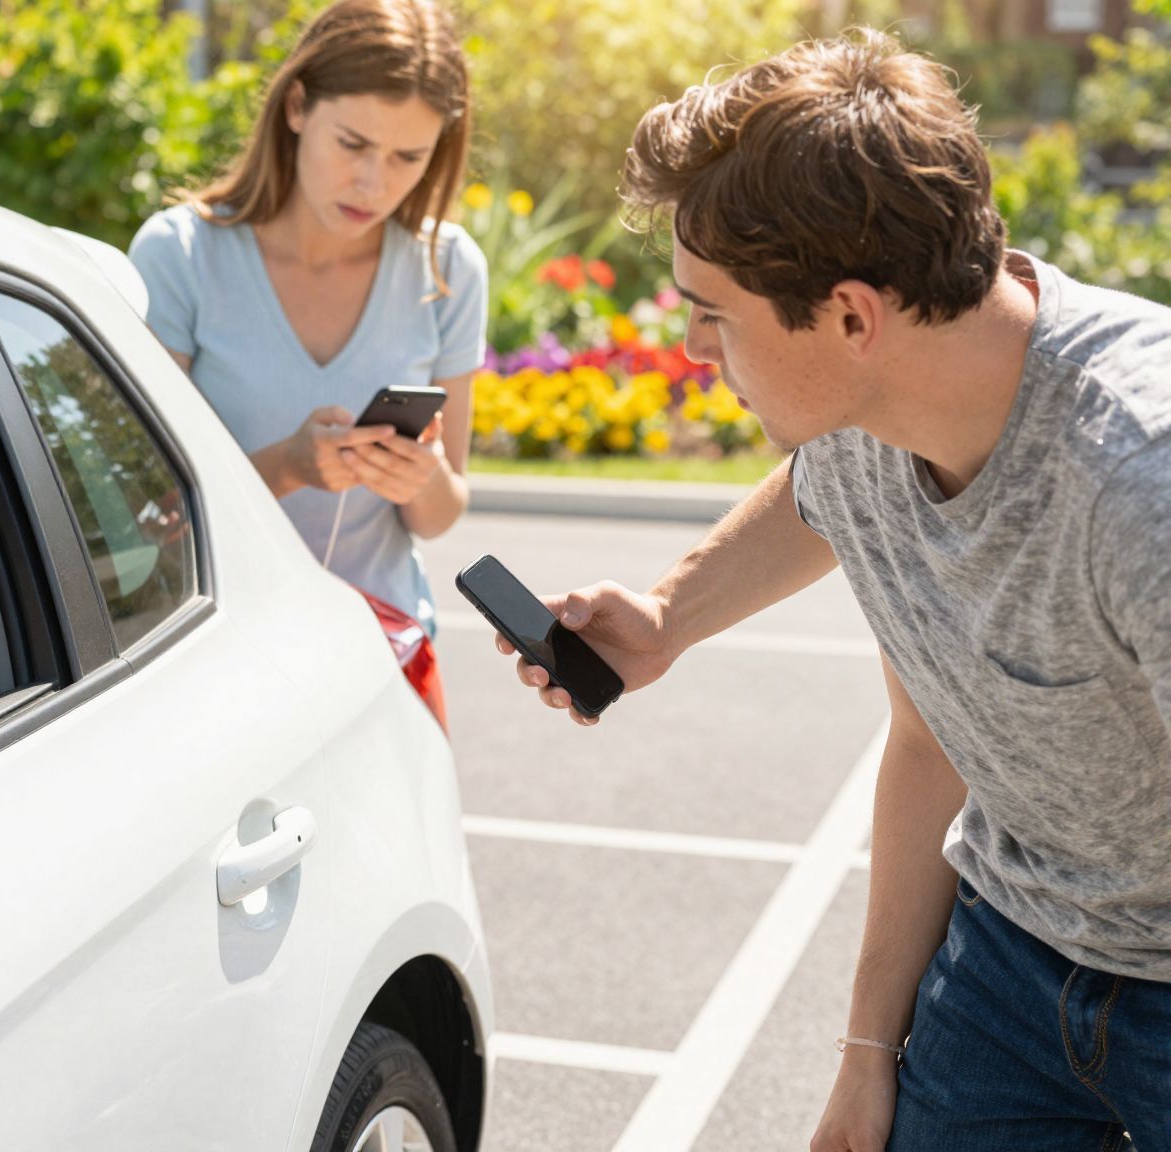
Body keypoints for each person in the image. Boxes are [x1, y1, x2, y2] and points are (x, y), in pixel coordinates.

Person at [492, 29, 1171, 1151]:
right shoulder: (869, 413)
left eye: (710, 313)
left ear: (852, 316)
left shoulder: (1137, 486)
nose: (696, 346)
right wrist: (666, 619)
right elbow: (921, 733)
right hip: (1012, 955)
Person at [128, 0, 486, 645]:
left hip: (383, 652)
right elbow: (149, 513)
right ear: (296, 107)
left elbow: (440, 515)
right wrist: (287, 468)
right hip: (218, 652)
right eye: (353, 144)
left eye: (409, 157)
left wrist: (422, 478)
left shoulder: (450, 267)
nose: (373, 183)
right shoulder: (180, 255)